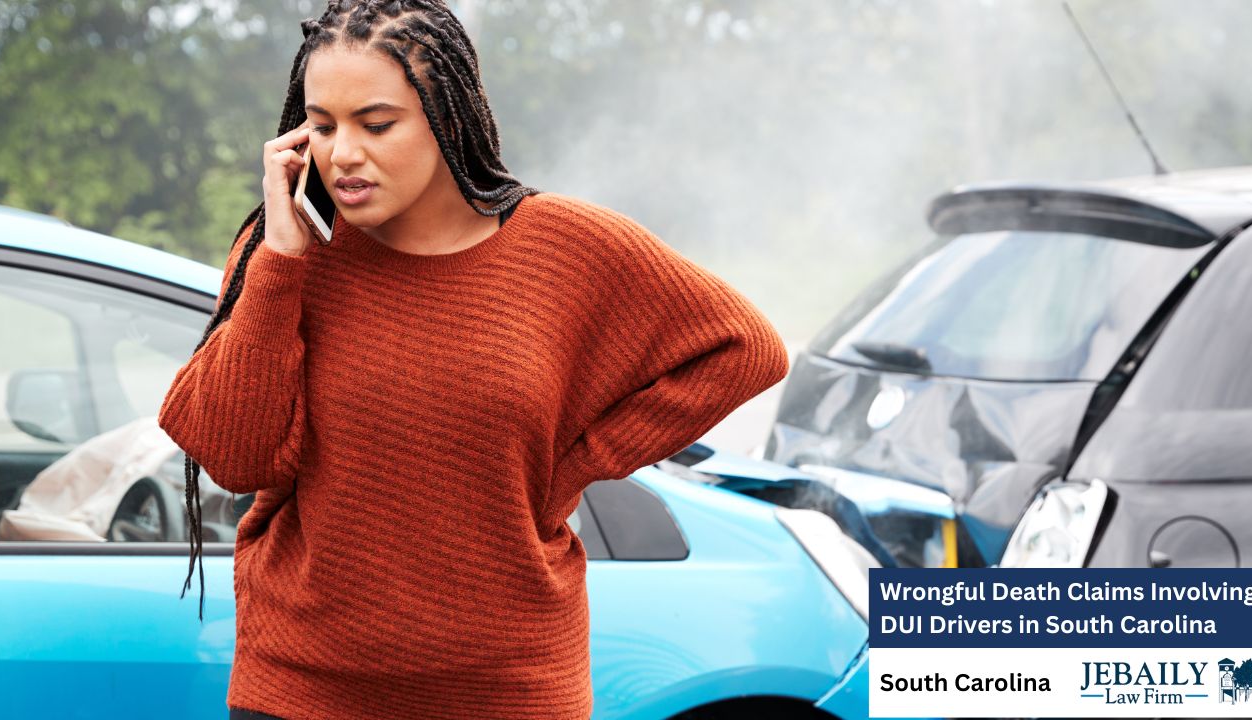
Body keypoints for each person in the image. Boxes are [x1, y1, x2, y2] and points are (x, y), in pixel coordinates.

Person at [156, 1, 789, 718]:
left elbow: (744, 348)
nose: (342, 153)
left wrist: (574, 463)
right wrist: (280, 258)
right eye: (322, 126)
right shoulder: (288, 254)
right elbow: (236, 459)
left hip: (510, 688)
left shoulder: (566, 246)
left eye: (376, 124)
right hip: (302, 687)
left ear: (448, 118)